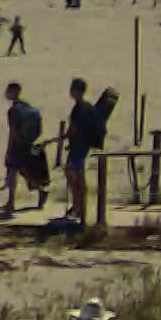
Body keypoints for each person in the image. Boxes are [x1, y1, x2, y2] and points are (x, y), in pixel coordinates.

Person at [1, 81, 50, 213]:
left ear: (14, 92)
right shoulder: (29, 107)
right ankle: (39, 193)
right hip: (29, 144)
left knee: (14, 171)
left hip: (18, 146)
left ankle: (11, 203)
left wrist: (9, 148)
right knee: (24, 172)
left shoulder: (13, 111)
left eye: (8, 91)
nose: (6, 93)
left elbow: (13, 132)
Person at [64, 77, 97, 219]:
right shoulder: (87, 106)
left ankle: (79, 205)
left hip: (78, 146)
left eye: (72, 88)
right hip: (82, 146)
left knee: (74, 174)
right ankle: (78, 205)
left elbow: (74, 128)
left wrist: (66, 137)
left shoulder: (79, 108)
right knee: (76, 174)